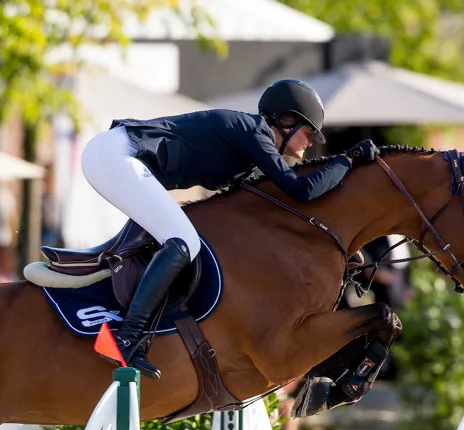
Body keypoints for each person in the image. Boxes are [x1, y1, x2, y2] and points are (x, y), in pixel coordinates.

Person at [81, 78, 379, 379]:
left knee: (181, 237)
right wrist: (348, 160)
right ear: (286, 121)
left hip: (118, 156)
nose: (311, 142)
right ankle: (128, 338)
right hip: (117, 155)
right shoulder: (255, 131)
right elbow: (301, 190)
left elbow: (272, 209)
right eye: (309, 132)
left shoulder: (249, 152)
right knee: (183, 241)